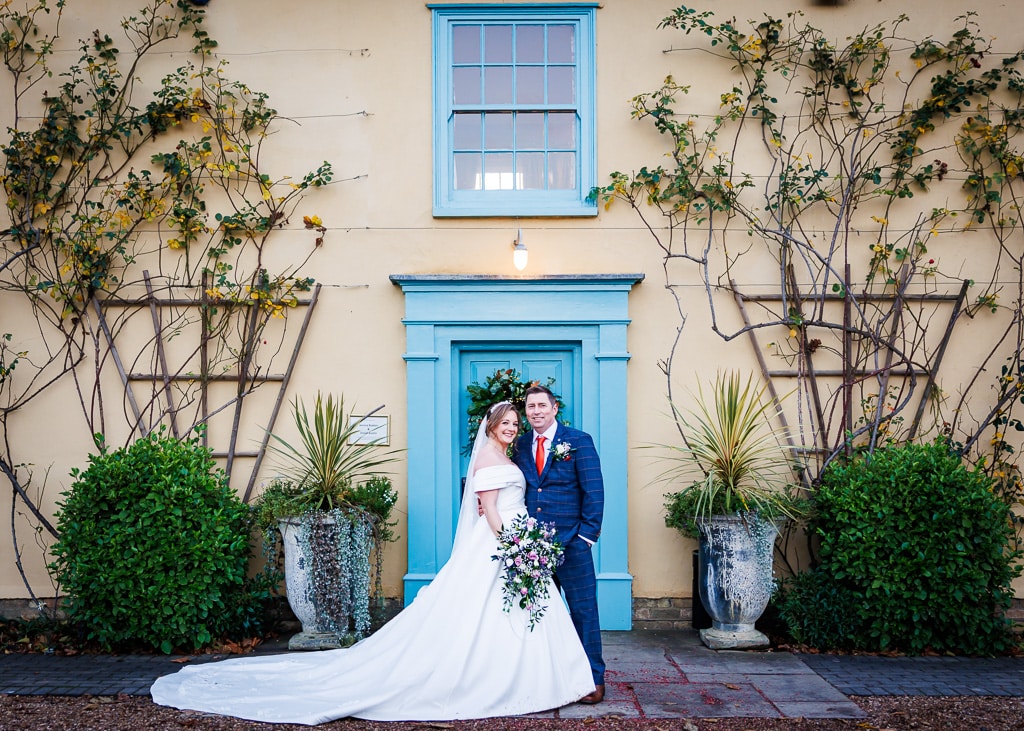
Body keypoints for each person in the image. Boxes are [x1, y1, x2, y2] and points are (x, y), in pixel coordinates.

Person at [150, 402, 595, 725]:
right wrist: (512, 547)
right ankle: (503, 678)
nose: (513, 427)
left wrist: (525, 543)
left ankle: (550, 677)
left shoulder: (515, 454)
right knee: (482, 614)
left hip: (522, 540)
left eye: (517, 422)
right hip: (501, 544)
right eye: (507, 422)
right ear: (492, 426)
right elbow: (490, 508)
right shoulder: (486, 456)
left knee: (530, 611)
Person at [514, 384, 606, 704]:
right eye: (530, 407)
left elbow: (594, 490)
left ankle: (593, 679)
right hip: (533, 549)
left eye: (542, 405)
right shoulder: (521, 445)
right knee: (540, 613)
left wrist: (586, 537)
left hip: (572, 543)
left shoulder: (578, 441)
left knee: (583, 612)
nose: (536, 411)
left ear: (554, 409)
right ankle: (548, 678)